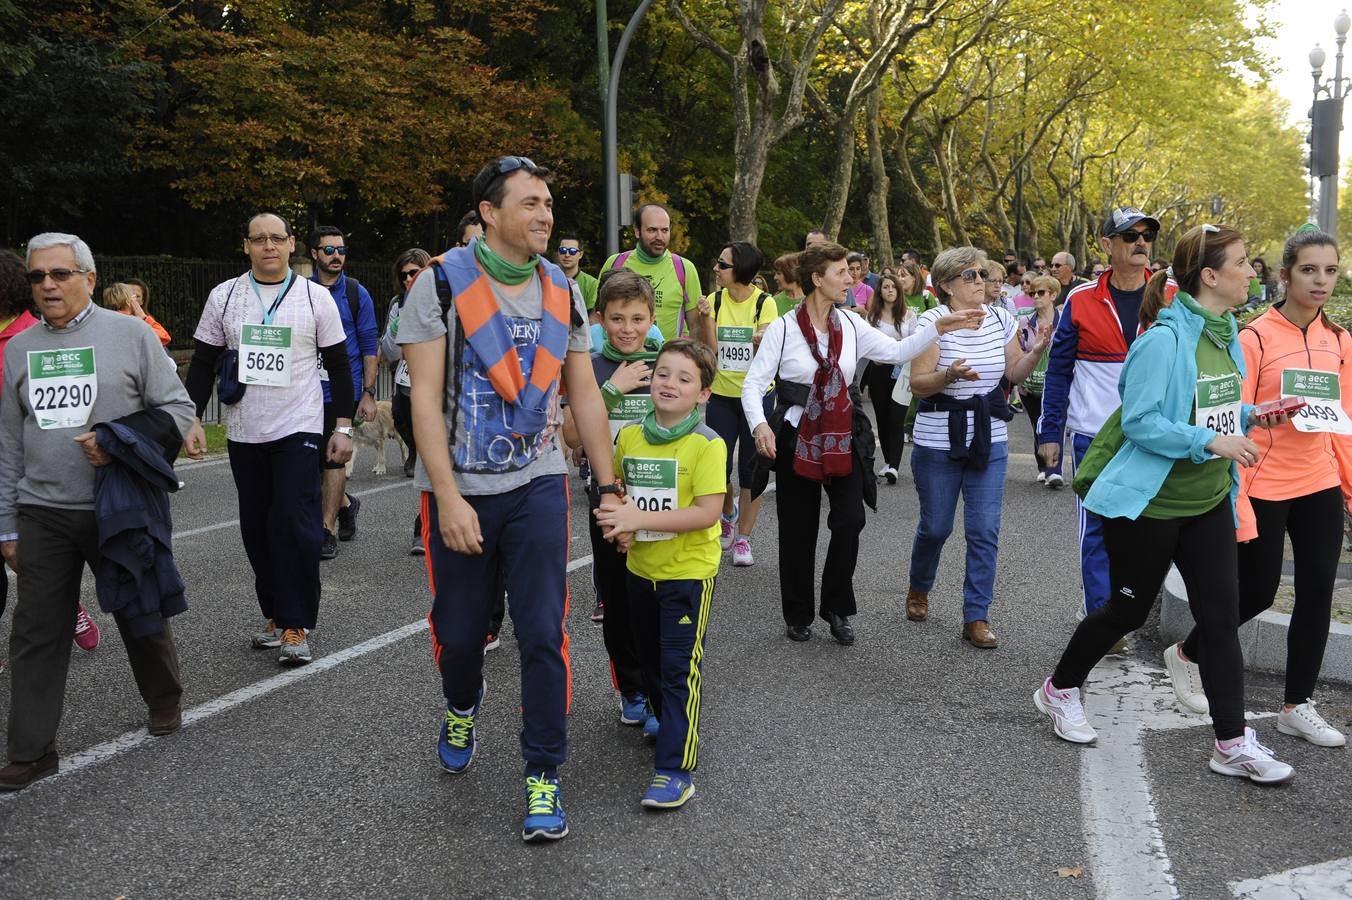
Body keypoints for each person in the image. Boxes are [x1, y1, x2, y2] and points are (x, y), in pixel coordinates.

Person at [400, 155, 622, 843]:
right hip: (461, 489)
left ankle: (544, 773)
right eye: (529, 203)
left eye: (548, 202)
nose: (545, 214)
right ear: (489, 214)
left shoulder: (563, 288)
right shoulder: (439, 286)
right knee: (462, 636)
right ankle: (462, 702)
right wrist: (447, 496)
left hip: (538, 483)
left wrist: (609, 488)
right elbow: (427, 406)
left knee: (542, 633)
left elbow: (582, 392)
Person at [1034, 224, 1297, 785]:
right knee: (1125, 610)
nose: (1254, 271)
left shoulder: (1225, 334)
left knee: (1221, 622)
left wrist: (1257, 413)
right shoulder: (1163, 340)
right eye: (1244, 262)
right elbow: (1142, 421)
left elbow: (1212, 411)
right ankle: (1058, 690)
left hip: (1205, 503)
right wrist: (1210, 442)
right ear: (1209, 275)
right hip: (1150, 507)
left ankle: (1230, 744)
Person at [0, 232, 202, 792]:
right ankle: (31, 749)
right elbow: (9, 441)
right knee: (36, 630)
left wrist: (117, 439)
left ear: (89, 278)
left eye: (60, 274)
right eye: (38, 277)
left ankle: (164, 697)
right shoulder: (18, 349)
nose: (47, 285)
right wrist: (6, 523)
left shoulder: (132, 335)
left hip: (120, 503)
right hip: (42, 510)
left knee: (140, 609)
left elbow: (180, 407)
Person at [1162, 225, 1349, 748]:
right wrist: (1236, 492)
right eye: (1309, 270)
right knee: (1259, 590)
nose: (1320, 281)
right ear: (1285, 275)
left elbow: (1343, 421)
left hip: (1320, 481)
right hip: (1262, 483)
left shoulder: (1340, 340)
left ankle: (1297, 704)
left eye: (1330, 271)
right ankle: (1186, 653)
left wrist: (1349, 490)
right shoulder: (1253, 337)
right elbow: (1229, 421)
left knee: (1317, 591)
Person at [743, 242, 981, 645]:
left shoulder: (852, 325)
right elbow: (753, 384)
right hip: (796, 433)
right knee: (798, 528)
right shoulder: (783, 328)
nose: (851, 278)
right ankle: (798, 613)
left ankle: (836, 608)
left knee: (850, 519)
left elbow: (895, 352)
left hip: (843, 432)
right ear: (817, 279)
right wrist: (760, 427)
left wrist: (937, 327)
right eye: (840, 273)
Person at [186, 212, 354, 666]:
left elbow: (339, 364)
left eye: (276, 238)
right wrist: (191, 417)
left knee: (295, 521)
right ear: (246, 246)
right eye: (258, 239)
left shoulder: (315, 298)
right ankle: (276, 614)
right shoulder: (224, 297)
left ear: (291, 243)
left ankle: (298, 623)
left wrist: (342, 426)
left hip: (298, 425)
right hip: (244, 430)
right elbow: (202, 363)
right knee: (257, 526)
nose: (268, 246)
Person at [594, 339, 726, 810]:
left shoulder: (708, 444)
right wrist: (620, 527)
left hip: (687, 575)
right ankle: (659, 715)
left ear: (704, 394)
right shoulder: (629, 437)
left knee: (678, 670)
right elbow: (621, 498)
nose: (670, 383)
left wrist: (638, 520)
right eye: (664, 374)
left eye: (685, 378)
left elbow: (708, 513)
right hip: (639, 571)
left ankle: (675, 768)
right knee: (648, 660)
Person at [904, 248, 1052, 649]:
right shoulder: (933, 322)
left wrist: (1036, 353)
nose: (979, 281)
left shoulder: (1001, 317)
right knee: (936, 527)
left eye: (982, 274)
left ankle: (977, 616)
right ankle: (919, 587)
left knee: (984, 530)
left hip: (989, 437)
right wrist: (948, 375)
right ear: (947, 285)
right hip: (938, 438)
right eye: (970, 275)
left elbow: (1013, 372)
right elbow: (919, 383)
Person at [1037, 206, 1173, 620]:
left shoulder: (1172, 296)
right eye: (1130, 236)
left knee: (1146, 531)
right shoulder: (1080, 299)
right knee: (1096, 529)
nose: (1140, 243)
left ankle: (1123, 607)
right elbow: (1058, 372)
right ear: (1106, 244)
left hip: (1155, 435)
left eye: (1146, 236)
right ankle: (1101, 616)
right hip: (1093, 433)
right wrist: (1048, 433)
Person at [560, 269, 660, 726]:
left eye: (637, 318)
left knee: (658, 600)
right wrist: (613, 389)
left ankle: (663, 692)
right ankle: (632, 689)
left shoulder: (667, 361)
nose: (627, 329)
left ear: (652, 318)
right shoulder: (588, 364)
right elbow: (572, 435)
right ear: (600, 318)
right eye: (617, 318)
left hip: (661, 507)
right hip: (609, 504)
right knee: (619, 604)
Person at [703, 241, 778, 567]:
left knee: (753, 469)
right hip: (720, 394)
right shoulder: (713, 301)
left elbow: (766, 338)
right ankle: (728, 514)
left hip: (757, 398)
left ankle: (744, 538)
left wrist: (762, 336)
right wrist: (706, 320)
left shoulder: (766, 303)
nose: (716, 269)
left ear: (741, 270)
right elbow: (708, 350)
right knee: (718, 468)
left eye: (723, 264)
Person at [308, 225, 378, 560]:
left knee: (333, 458)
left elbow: (369, 346)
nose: (337, 256)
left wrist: (367, 392)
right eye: (329, 250)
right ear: (313, 254)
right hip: (305, 393)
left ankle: (326, 528)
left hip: (343, 391)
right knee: (311, 462)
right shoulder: (299, 292)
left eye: (342, 250)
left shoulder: (355, 293)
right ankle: (347, 504)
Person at [380, 248, 431, 560]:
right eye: (405, 275)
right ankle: (414, 448)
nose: (410, 279)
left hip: (435, 391)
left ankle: (422, 525)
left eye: (415, 272)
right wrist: (398, 328)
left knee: (431, 458)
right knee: (400, 419)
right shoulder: (398, 305)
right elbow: (389, 350)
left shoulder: (445, 299)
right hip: (406, 385)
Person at [600, 204, 706, 342]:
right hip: (618, 358)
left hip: (667, 359)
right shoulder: (615, 263)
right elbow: (598, 318)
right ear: (637, 231)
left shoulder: (685, 268)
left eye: (665, 230)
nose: (659, 237)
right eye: (652, 230)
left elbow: (695, 327)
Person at [862, 273, 917, 483]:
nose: (890, 290)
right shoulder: (872, 317)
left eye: (894, 287)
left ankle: (894, 465)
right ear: (880, 291)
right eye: (886, 287)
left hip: (901, 371)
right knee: (883, 418)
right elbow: (866, 344)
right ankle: (889, 462)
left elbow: (914, 343)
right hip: (878, 371)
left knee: (896, 418)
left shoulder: (909, 316)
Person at [1019, 275, 1063, 486]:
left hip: (1056, 382)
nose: (1035, 296)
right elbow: (1018, 352)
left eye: (1041, 292)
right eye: (1032, 293)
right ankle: (1043, 466)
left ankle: (1054, 470)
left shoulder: (1064, 320)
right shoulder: (1024, 322)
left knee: (1055, 422)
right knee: (1037, 423)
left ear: (1053, 295)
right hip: (1030, 384)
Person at [102, 282, 171, 347]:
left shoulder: (104, 322)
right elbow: (165, 337)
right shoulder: (135, 323)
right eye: (134, 297)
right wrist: (144, 318)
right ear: (129, 301)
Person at [556, 232, 598, 312]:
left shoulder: (592, 284)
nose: (567, 255)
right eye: (563, 250)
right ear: (558, 252)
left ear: (580, 255)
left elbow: (592, 316)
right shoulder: (548, 279)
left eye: (572, 251)